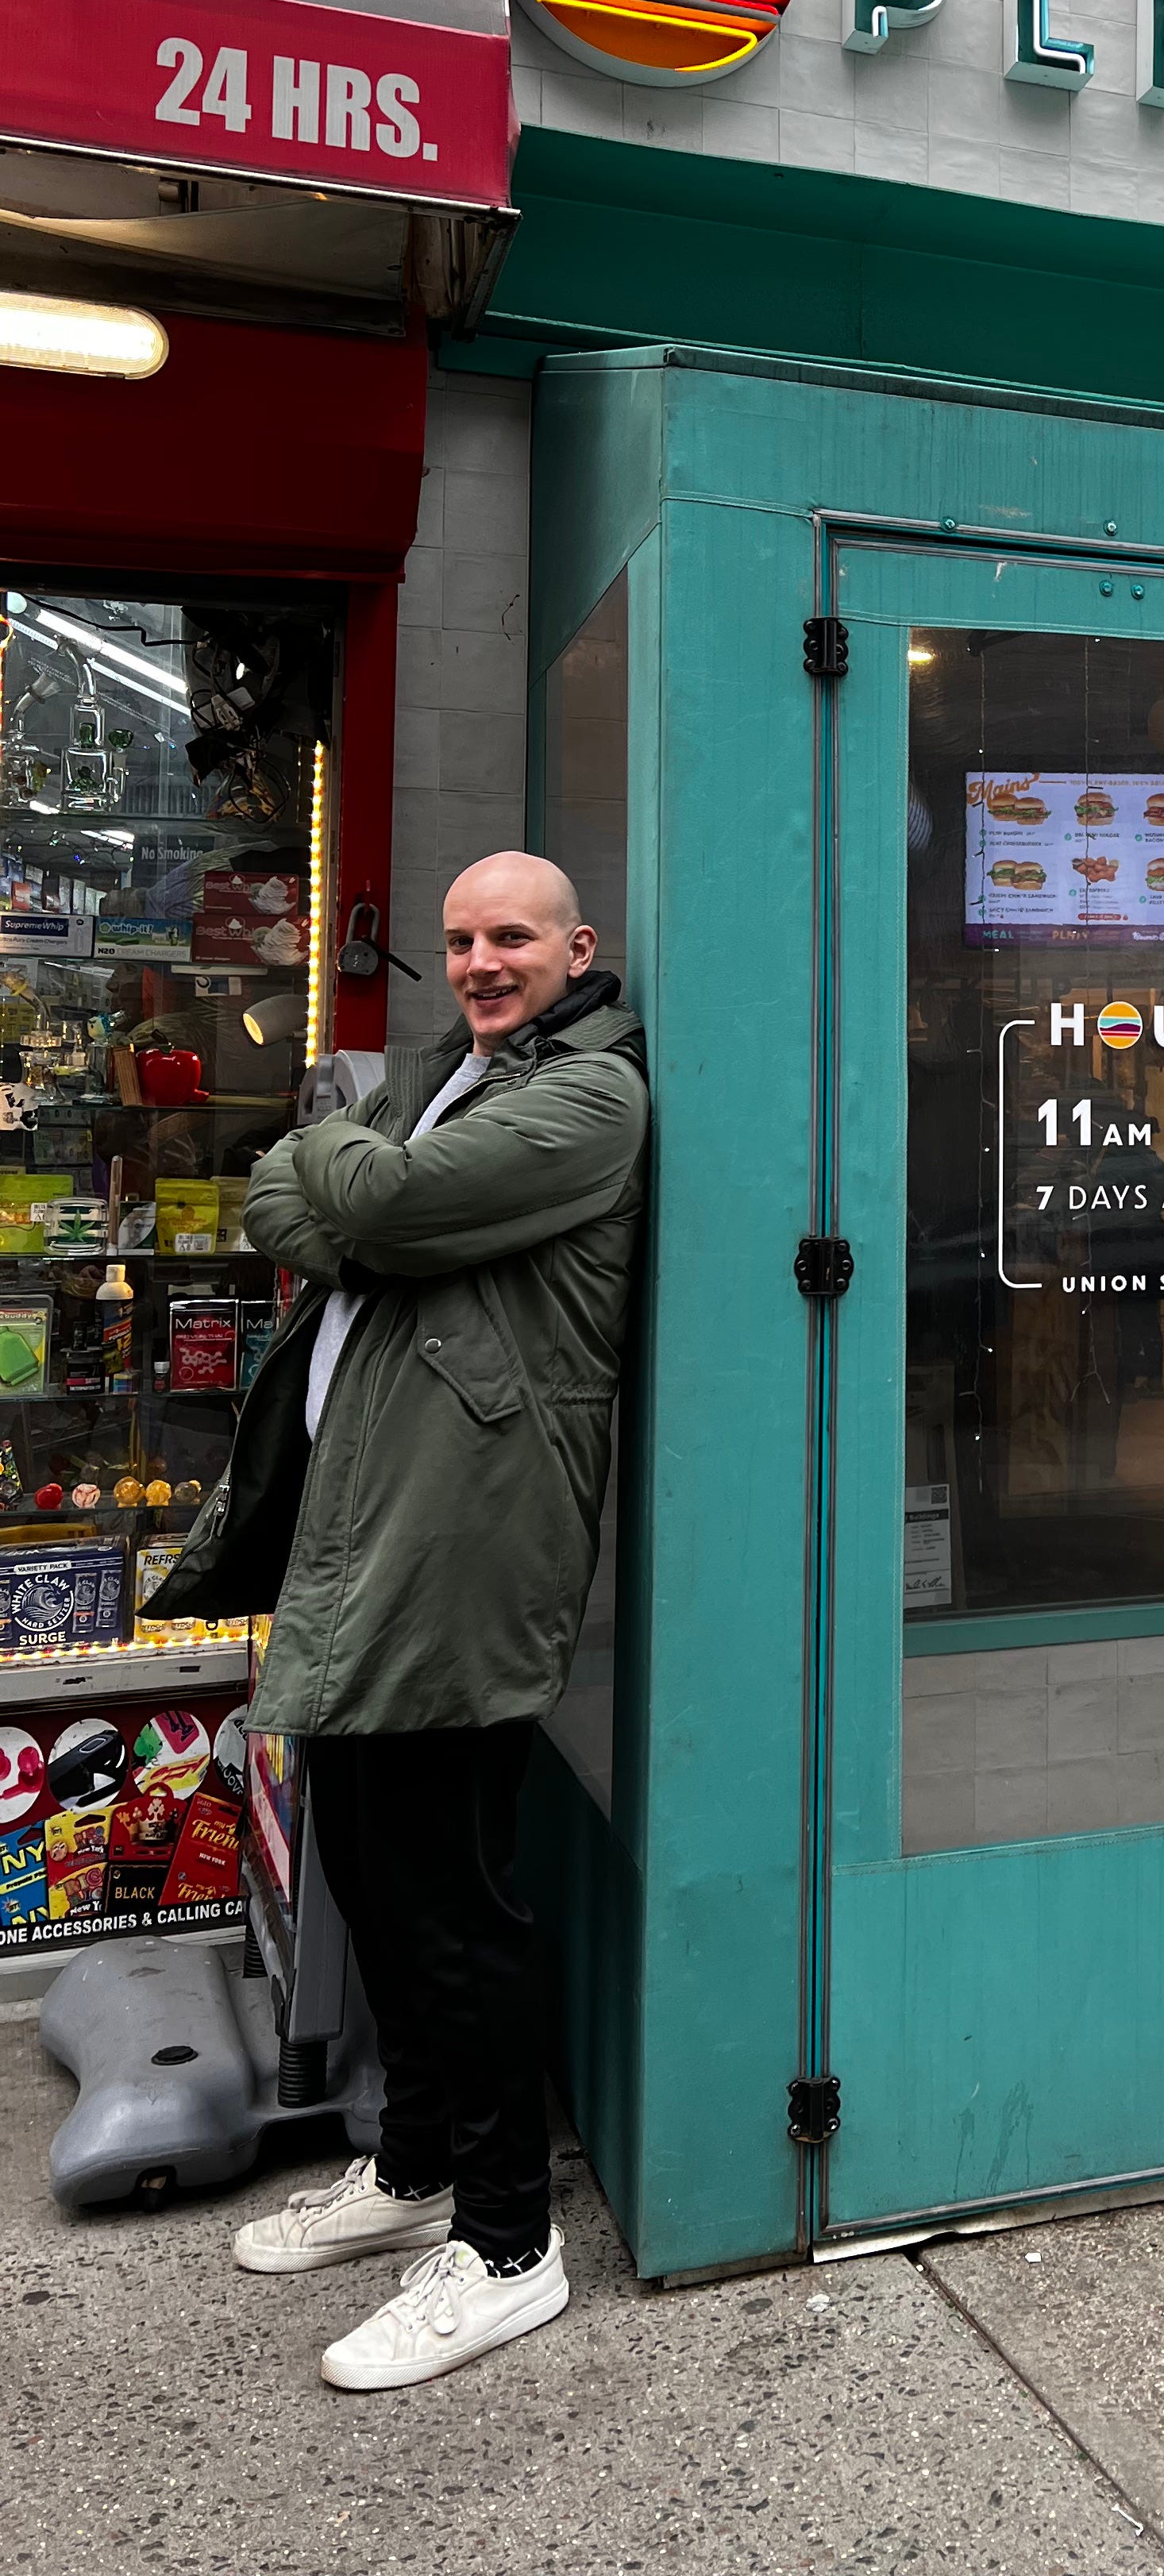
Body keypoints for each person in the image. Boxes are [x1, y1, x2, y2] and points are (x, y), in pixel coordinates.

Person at [145, 853, 648, 2392]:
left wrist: (332, 1161)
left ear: (578, 947)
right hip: (372, 1533)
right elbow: (315, 1202)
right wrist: (342, 1184)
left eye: (513, 937)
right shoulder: (455, 1072)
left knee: (448, 1901)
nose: (482, 961)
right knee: (370, 1873)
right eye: (462, 940)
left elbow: (382, 1201)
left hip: (464, 1547)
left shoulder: (590, 1099)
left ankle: (506, 2243)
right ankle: (418, 2165)